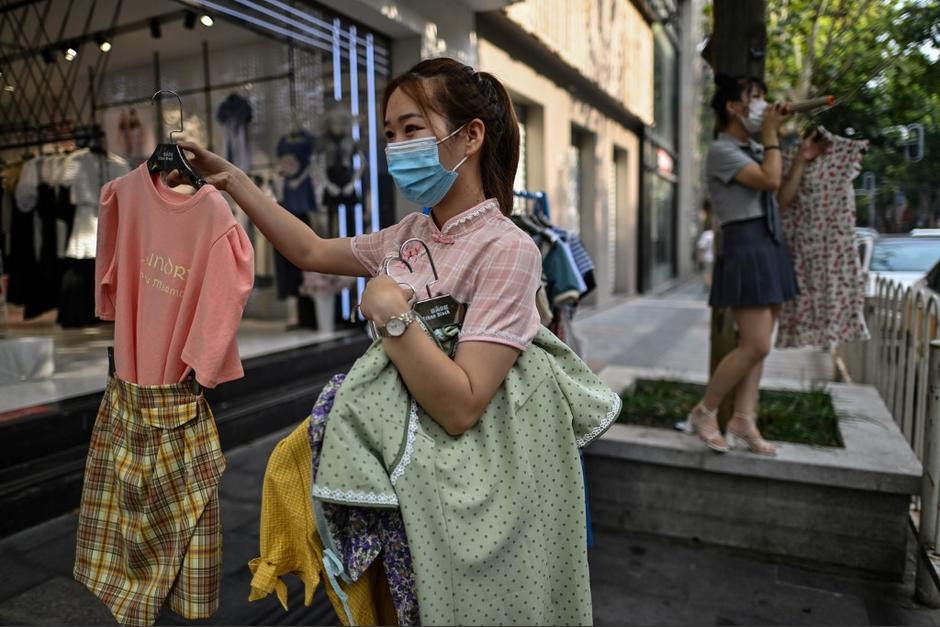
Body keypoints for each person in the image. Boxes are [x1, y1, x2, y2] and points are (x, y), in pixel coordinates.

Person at [167, 58, 613, 624]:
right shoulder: (406, 236)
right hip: (404, 481)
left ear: (470, 135)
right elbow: (308, 249)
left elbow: (462, 405)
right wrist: (231, 179)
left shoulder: (508, 250)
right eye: (390, 135)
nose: (398, 147)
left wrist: (392, 314)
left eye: (412, 129)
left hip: (467, 494)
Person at [687, 74, 827, 456]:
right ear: (734, 107)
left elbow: (780, 198)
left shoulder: (754, 149)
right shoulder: (722, 150)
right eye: (755, 98)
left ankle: (744, 419)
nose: (764, 105)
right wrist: (771, 133)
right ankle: (705, 411)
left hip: (769, 241)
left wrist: (800, 158)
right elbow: (769, 179)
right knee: (756, 343)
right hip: (745, 245)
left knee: (761, 346)